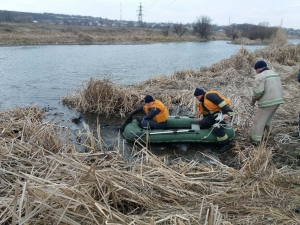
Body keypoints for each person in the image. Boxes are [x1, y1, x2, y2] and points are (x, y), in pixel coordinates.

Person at [250, 60, 283, 144]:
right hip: (278, 100)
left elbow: (258, 92)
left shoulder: (261, 76)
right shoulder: (274, 73)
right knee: (268, 119)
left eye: (256, 70)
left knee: (258, 121)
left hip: (267, 102)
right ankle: (265, 136)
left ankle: (255, 140)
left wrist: (253, 100)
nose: (256, 72)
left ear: (258, 69)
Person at [194, 88, 234, 153]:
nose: (197, 99)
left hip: (226, 114)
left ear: (201, 95)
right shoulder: (203, 103)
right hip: (215, 115)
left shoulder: (209, 95)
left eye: (197, 97)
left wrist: (225, 113)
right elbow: (207, 114)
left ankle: (226, 144)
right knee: (203, 123)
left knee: (217, 128)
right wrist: (203, 119)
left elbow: (222, 103)